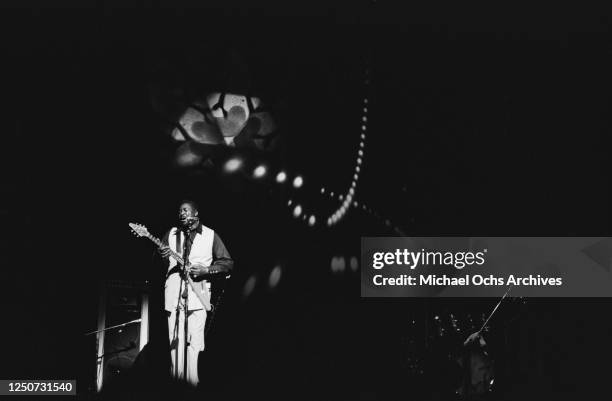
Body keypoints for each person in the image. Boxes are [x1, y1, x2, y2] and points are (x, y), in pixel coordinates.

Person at [158, 200, 234, 387]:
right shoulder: (172, 234)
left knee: (196, 341)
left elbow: (227, 263)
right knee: (175, 340)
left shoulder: (210, 235)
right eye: (179, 211)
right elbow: (157, 264)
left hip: (199, 294)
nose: (181, 213)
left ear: (196, 213)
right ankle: (177, 382)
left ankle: (192, 384)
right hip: (175, 292)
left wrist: (206, 270)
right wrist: (160, 254)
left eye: (185, 210)